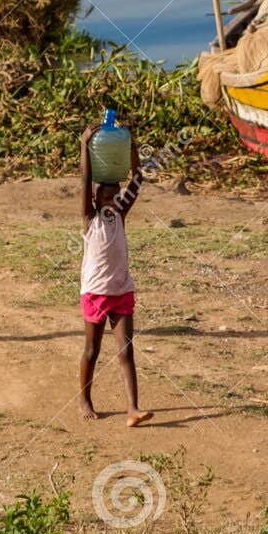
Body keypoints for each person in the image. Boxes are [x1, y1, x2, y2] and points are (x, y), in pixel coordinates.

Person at [77, 122, 152, 426]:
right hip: (95, 292)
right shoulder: (89, 219)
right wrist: (85, 145)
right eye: (106, 197)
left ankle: (133, 409)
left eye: (115, 196)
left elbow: (138, 177)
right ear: (95, 200)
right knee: (92, 350)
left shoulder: (119, 215)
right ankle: (84, 398)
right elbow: (85, 180)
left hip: (121, 290)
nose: (112, 201)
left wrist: (131, 147)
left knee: (126, 351)